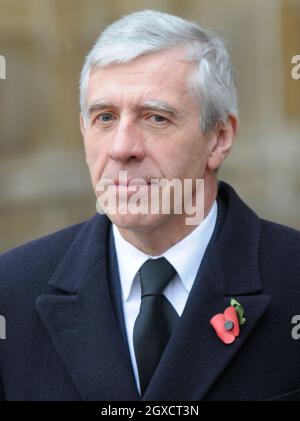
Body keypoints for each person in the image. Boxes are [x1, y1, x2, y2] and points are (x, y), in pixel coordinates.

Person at [0, 9, 300, 402]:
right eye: (104, 117)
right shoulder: (11, 291)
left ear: (219, 138)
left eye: (155, 118)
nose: (122, 147)